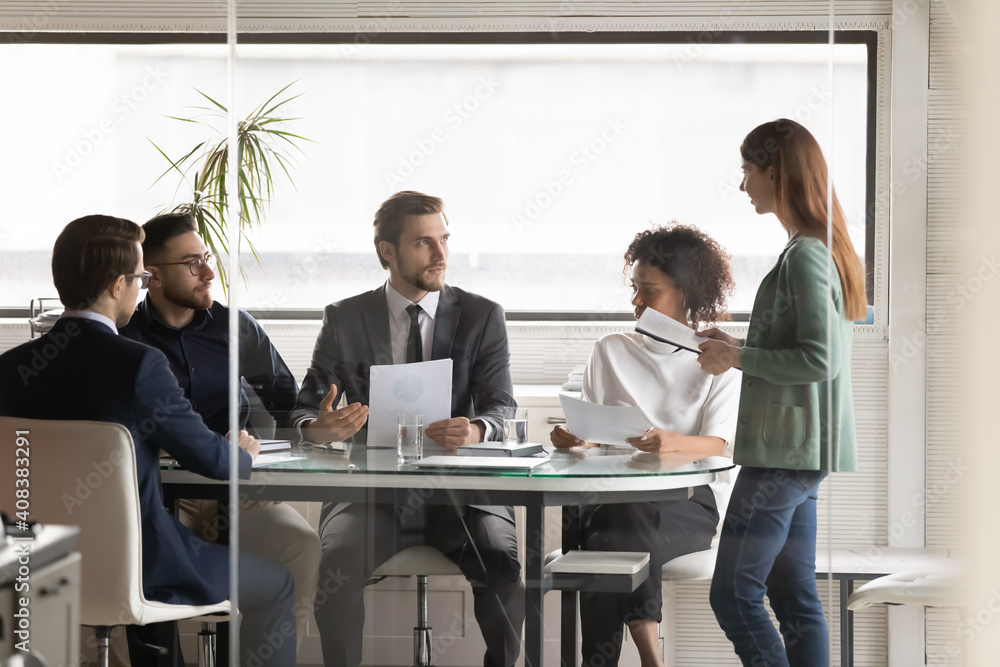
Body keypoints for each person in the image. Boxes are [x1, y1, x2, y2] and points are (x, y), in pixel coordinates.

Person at [0, 215, 296, 667]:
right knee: (277, 584)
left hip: (34, 565)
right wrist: (242, 453)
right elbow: (211, 459)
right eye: (140, 278)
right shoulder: (140, 365)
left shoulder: (9, 369)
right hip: (140, 565)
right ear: (119, 285)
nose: (141, 289)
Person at [290, 191, 524, 667]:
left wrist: (478, 429)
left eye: (444, 240)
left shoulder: (482, 316)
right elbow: (305, 410)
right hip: (371, 496)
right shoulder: (344, 318)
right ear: (387, 252)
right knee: (334, 567)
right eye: (423, 243)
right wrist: (318, 427)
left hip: (462, 495)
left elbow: (502, 407)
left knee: (501, 565)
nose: (441, 255)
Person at [697, 119, 864, 667]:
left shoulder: (808, 255)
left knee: (734, 595)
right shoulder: (810, 247)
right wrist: (738, 344)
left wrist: (738, 357)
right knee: (794, 599)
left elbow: (821, 359)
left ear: (776, 172)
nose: (743, 185)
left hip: (783, 456)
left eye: (748, 172)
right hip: (797, 453)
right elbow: (801, 343)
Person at [119, 212, 321, 655]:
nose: (210, 272)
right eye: (192, 263)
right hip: (159, 504)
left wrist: (310, 433)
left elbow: (288, 409)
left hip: (239, 498)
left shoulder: (238, 327)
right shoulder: (125, 339)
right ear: (150, 275)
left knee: (300, 545)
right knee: (139, 568)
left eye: (207, 257)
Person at [549, 225, 740, 667]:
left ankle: (632, 649)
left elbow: (721, 446)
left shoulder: (718, 359)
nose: (635, 302)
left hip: (689, 502)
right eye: (634, 289)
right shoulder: (610, 350)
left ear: (685, 291)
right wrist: (578, 440)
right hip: (616, 499)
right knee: (619, 521)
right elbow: (596, 440)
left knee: (607, 540)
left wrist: (672, 443)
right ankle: (649, 648)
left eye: (647, 291)